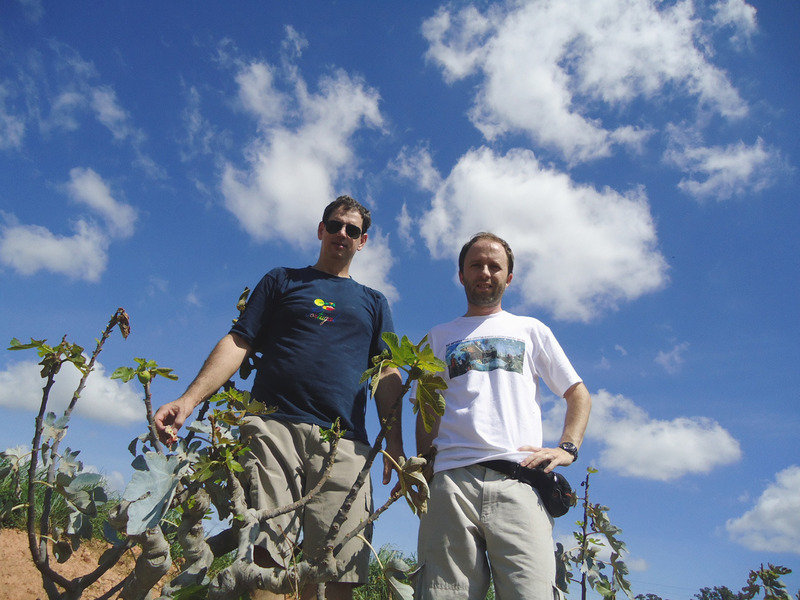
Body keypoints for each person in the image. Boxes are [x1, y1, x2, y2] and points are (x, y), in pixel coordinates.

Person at [154, 195, 403, 600]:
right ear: (321, 230)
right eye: (335, 225)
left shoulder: (374, 303)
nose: (342, 234)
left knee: (337, 569)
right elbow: (239, 341)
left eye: (352, 230)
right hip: (273, 425)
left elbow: (387, 372)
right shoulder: (282, 280)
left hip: (344, 440)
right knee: (265, 553)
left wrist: (394, 442)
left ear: (363, 241)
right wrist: (189, 399)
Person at [414, 232, 592, 600]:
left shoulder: (531, 330)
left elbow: (578, 393)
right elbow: (428, 407)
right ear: (461, 274)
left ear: (508, 278)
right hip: (450, 486)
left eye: (495, 266)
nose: (485, 272)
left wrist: (567, 448)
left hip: (519, 480)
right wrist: (425, 464)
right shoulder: (438, 337)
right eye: (476, 264)